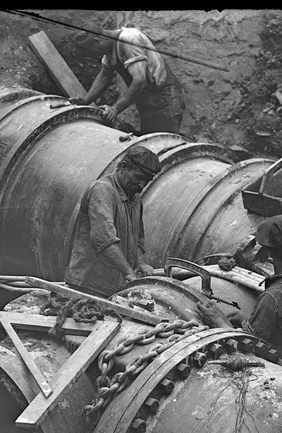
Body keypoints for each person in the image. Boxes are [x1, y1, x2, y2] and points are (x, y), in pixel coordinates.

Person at [199, 214, 282, 384]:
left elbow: (248, 348)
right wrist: (247, 321)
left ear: (268, 251)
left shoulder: (273, 297)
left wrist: (220, 321)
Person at [64, 145, 161, 298]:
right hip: (88, 286)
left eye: (146, 181)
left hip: (115, 287)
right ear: (123, 167)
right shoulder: (102, 190)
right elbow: (104, 240)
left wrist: (141, 263)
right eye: (138, 177)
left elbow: (138, 241)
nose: (142, 185)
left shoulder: (135, 198)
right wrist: (129, 272)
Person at [70, 26, 185, 134]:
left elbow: (140, 81)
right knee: (150, 144)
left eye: (93, 52)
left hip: (165, 99)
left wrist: (115, 108)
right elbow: (105, 75)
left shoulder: (128, 41)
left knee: (162, 146)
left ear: (97, 41)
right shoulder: (110, 48)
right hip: (148, 103)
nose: (95, 55)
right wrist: (85, 101)